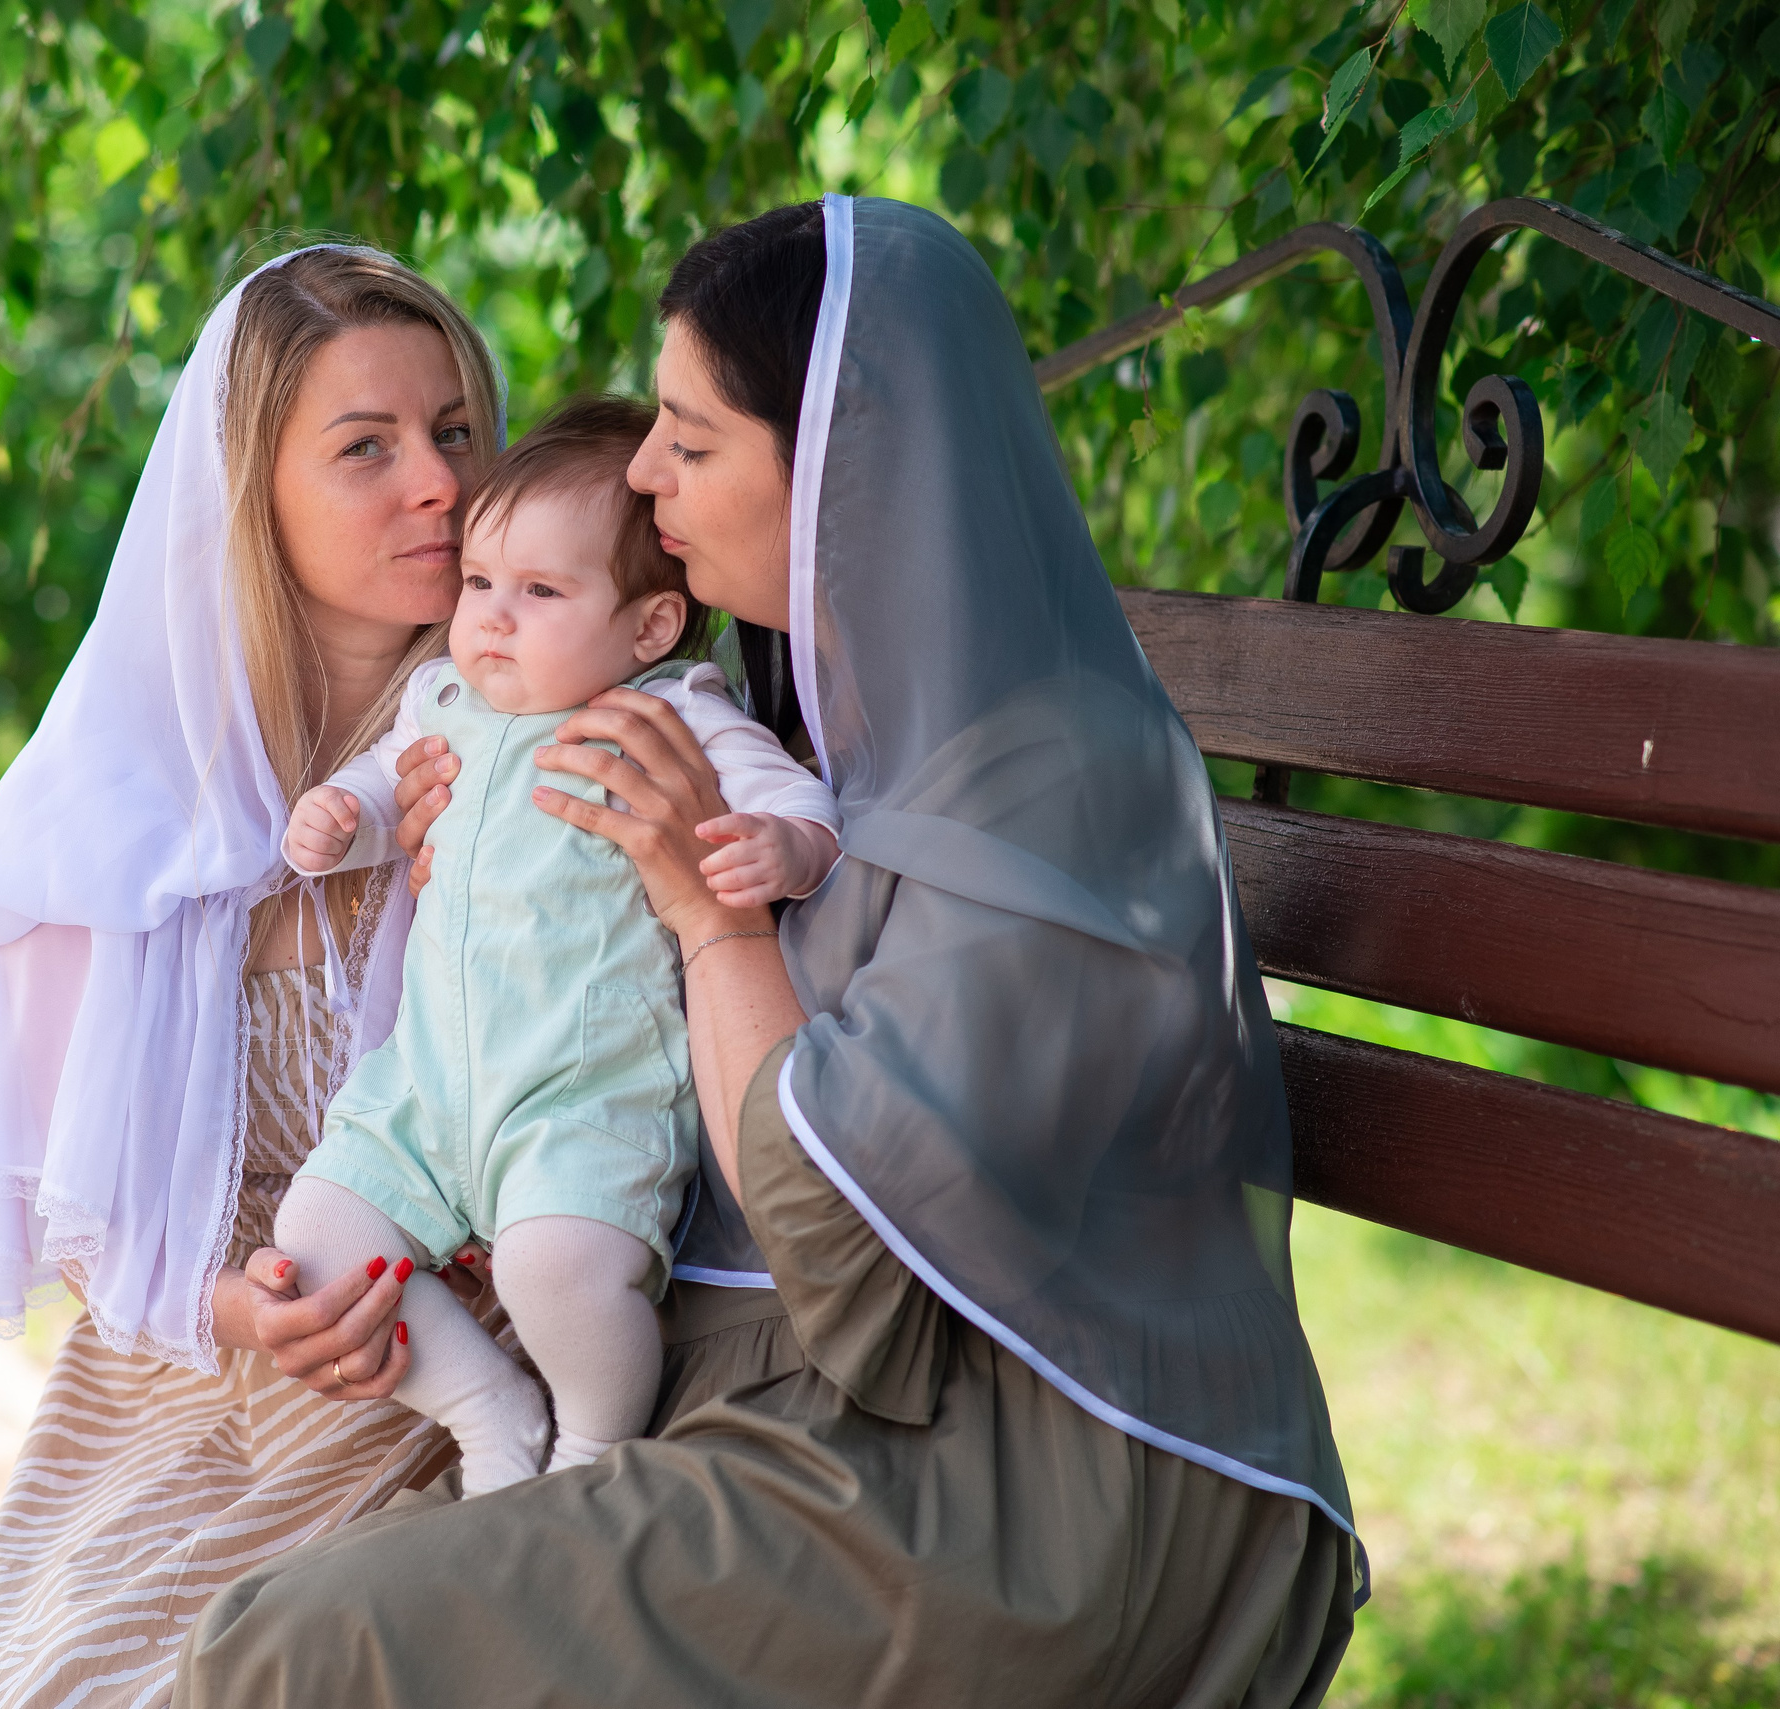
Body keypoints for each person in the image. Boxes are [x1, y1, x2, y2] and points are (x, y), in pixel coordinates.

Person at [173, 196, 1360, 1708]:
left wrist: (709, 912)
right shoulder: (834, 722)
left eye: (691, 434)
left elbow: (864, 1294)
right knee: (307, 1600)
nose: (645, 472)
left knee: (302, 1650)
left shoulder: (1050, 771)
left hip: (1035, 1487)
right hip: (802, 1388)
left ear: (840, 471)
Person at [0, 244, 511, 1709]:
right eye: (366, 447)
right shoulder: (120, 809)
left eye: (456, 432)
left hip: (477, 1396)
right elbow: (76, 1195)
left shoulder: (525, 741)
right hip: (187, 1397)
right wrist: (247, 1310)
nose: (436, 481)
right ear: (253, 490)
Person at [272, 398, 842, 1494]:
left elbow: (798, 799)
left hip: (583, 1097)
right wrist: (341, 817)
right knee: (318, 1236)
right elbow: (391, 791)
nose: (491, 616)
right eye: (479, 582)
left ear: (647, 627)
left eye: (539, 591)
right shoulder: (443, 696)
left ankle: (588, 1443)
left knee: (560, 1267)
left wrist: (784, 846)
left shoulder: (670, 711)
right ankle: (488, 1406)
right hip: (427, 1088)